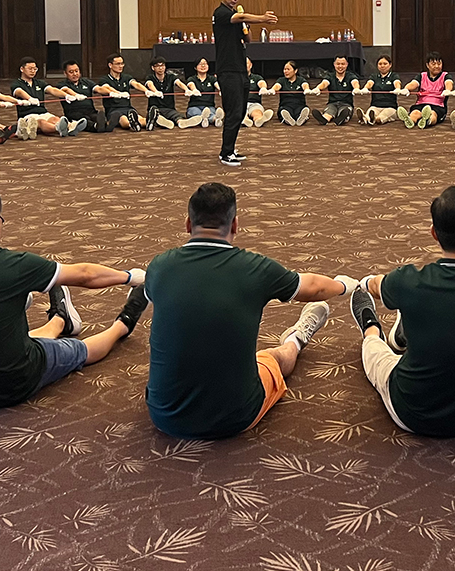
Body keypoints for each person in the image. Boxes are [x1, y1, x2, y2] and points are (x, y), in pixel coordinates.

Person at [144, 182, 354, 439]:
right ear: (234, 225)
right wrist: (344, 285)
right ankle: (296, 339)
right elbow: (313, 287)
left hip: (164, 416)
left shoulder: (158, 267)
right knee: (272, 357)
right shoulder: (255, 268)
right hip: (235, 417)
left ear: (188, 224)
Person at [0, 183, 149, 408]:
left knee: (9, 335)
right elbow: (85, 275)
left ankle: (60, 321)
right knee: (79, 350)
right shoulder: (11, 264)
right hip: (12, 382)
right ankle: (123, 325)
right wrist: (130, 276)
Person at [348, 186, 455, 435]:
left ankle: (371, 328)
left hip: (412, 414)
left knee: (377, 354)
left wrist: (366, 282)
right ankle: (408, 327)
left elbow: (377, 285)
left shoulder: (408, 281)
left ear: (434, 233)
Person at [213, 0, 279, 168]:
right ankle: (225, 153)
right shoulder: (221, 13)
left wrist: (246, 25)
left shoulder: (237, 16)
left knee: (241, 111)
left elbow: (248, 39)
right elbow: (240, 18)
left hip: (241, 68)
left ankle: (231, 149)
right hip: (228, 69)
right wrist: (262, 18)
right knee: (233, 112)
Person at [10, 58, 78, 138]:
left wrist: (66, 95)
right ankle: (58, 128)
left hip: (43, 112)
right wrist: (29, 98)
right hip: (28, 115)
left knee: (55, 119)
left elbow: (52, 90)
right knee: (42, 122)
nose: (33, 71)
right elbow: (19, 92)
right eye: (30, 69)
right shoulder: (16, 83)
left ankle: (71, 126)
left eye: (35, 69)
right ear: (22, 69)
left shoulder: (39, 82)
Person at [143, 57, 201, 130]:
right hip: (155, 108)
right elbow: (150, 84)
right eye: (157, 66)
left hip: (169, 108)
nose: (161, 68)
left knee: (176, 115)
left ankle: (181, 122)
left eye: (162, 65)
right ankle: (163, 121)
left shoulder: (170, 76)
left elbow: (179, 83)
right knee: (155, 116)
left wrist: (187, 90)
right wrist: (155, 91)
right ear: (153, 68)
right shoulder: (150, 77)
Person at [46, 61, 103, 135]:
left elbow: (99, 89)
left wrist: (113, 92)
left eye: (76, 71)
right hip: (74, 112)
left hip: (90, 110)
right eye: (71, 72)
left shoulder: (86, 82)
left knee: (96, 116)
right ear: (65, 73)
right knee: (84, 120)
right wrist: (76, 95)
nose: (75, 74)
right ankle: (95, 127)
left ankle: (104, 125)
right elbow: (66, 90)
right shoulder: (61, 84)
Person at [95, 53, 144, 132]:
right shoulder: (104, 79)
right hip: (113, 110)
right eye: (118, 64)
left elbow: (136, 84)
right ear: (110, 65)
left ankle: (149, 122)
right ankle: (132, 124)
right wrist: (119, 93)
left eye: (122, 63)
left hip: (127, 107)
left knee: (142, 120)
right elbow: (107, 88)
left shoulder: (126, 77)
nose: (121, 66)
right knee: (124, 121)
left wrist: (148, 91)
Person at [399, 52, 450, 128]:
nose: (436, 66)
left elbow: (449, 83)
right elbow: (413, 83)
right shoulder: (422, 76)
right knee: (415, 113)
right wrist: (406, 89)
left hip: (438, 106)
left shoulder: (445, 75)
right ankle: (410, 120)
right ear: (427, 65)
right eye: (433, 64)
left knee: (433, 114)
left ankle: (427, 121)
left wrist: (448, 90)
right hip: (421, 103)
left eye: (439, 64)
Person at [355, 54, 401, 125]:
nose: (382, 66)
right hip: (375, 106)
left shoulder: (394, 76)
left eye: (385, 64)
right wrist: (365, 88)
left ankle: (372, 120)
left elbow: (397, 83)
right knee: (370, 113)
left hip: (390, 107)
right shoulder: (374, 76)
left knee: (381, 117)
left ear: (390, 65)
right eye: (380, 64)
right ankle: (365, 118)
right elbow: (370, 83)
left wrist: (398, 89)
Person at [313, 55, 357, 126]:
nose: (340, 66)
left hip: (346, 104)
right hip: (332, 103)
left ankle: (341, 119)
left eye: (343, 64)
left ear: (347, 64)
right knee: (329, 112)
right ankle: (324, 120)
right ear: (334, 64)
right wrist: (318, 88)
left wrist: (356, 89)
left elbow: (355, 83)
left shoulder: (351, 76)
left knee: (345, 111)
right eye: (338, 64)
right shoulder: (330, 76)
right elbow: (324, 83)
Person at [183, 58, 222, 128]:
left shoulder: (212, 78)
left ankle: (213, 120)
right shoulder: (192, 78)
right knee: (195, 112)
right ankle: (210, 119)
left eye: (205, 63)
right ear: (195, 67)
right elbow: (191, 84)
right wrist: (194, 90)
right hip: (195, 106)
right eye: (200, 64)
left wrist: (220, 90)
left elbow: (217, 85)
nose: (203, 66)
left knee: (210, 112)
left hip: (209, 105)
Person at [272, 60, 312, 126]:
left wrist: (307, 89)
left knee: (301, 110)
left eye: (288, 69)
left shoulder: (301, 80)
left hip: (299, 104)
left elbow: (305, 85)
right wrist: (272, 90)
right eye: (284, 69)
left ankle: (302, 118)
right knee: (284, 111)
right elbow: (277, 86)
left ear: (295, 71)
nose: (285, 71)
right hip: (286, 104)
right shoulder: (281, 80)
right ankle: (287, 119)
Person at [241, 58, 272, 128]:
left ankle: (259, 120)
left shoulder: (256, 77)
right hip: (240, 103)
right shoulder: (236, 78)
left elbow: (262, 82)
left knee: (257, 113)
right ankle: (245, 120)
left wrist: (263, 88)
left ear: (251, 65)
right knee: (241, 113)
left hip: (254, 103)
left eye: (246, 64)